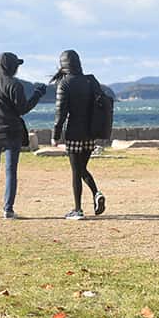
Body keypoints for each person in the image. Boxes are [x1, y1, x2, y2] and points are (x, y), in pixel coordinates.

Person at [0, 52, 47, 219]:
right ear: (12, 67)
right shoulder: (15, 85)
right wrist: (37, 94)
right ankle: (8, 209)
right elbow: (23, 109)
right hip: (12, 133)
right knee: (10, 171)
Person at [50, 49, 106, 220]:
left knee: (76, 171)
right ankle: (96, 193)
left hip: (74, 132)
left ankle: (78, 210)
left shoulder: (65, 84)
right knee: (81, 168)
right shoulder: (90, 80)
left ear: (63, 64)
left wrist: (55, 135)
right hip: (91, 132)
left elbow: (60, 113)